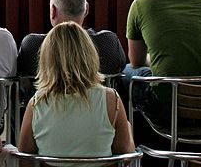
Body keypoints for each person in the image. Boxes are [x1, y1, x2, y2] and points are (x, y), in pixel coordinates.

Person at [19, 21, 134, 158]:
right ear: (90, 55)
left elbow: (25, 159)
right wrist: (128, 128)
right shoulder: (111, 100)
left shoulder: (36, 104)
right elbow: (125, 157)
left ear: (46, 59)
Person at [17, 0, 126, 80]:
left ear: (53, 11)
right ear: (86, 10)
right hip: (97, 101)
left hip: (43, 101)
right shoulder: (108, 42)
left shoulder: (32, 45)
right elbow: (120, 67)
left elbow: (23, 74)